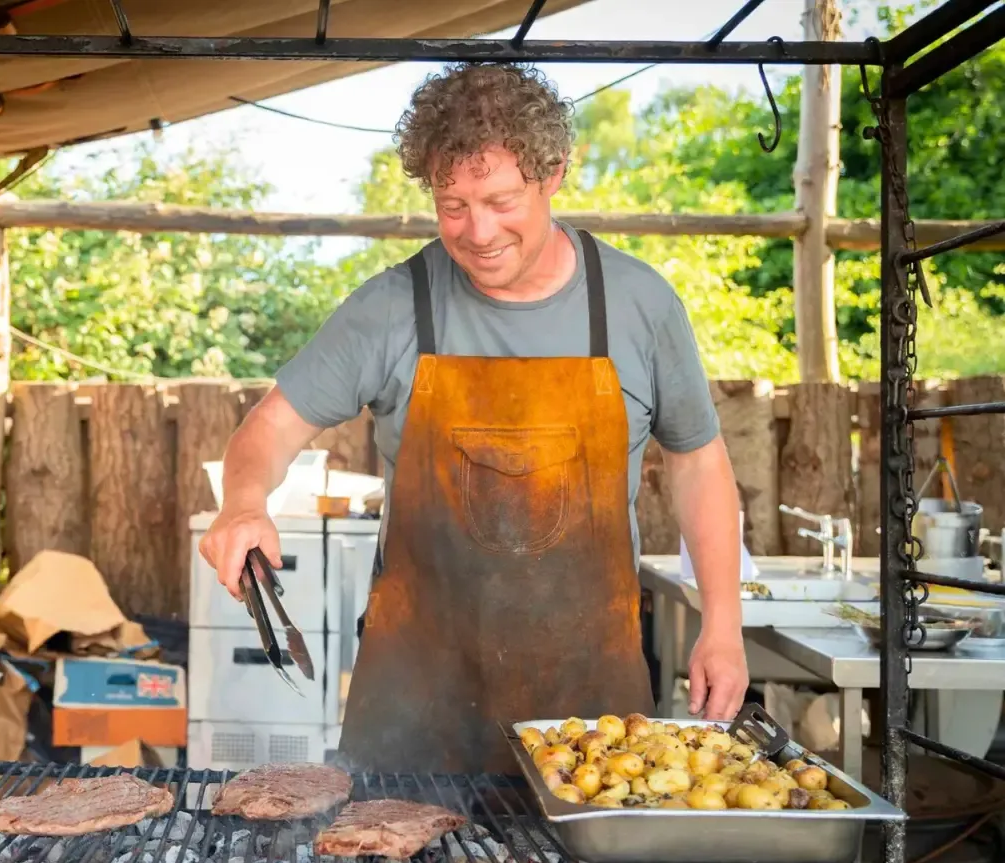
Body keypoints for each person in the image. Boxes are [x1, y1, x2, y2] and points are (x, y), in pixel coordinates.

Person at [198, 63, 748, 773]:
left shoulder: (640, 305)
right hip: (414, 714)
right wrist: (243, 503)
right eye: (452, 204)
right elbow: (268, 428)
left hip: (591, 715)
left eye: (499, 199)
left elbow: (699, 460)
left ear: (554, 174)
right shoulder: (393, 307)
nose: (477, 231)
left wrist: (724, 624)